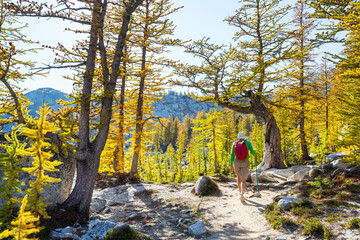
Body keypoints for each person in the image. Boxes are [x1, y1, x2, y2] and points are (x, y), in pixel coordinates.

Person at [230, 131, 256, 202]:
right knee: (243, 180)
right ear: (244, 137)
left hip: (237, 161)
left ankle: (240, 193)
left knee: (238, 177)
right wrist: (255, 153)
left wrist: (230, 165)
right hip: (245, 161)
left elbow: (232, 154)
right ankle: (242, 194)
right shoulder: (248, 143)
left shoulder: (234, 143)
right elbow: (252, 152)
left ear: (238, 137)